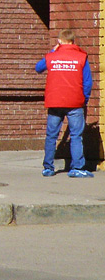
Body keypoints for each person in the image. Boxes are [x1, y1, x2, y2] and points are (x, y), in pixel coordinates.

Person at [36, 28, 94, 178]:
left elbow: (38, 68)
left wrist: (52, 51)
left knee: (51, 135)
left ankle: (48, 167)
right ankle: (77, 168)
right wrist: (84, 99)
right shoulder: (81, 57)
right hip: (75, 102)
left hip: (54, 101)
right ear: (73, 41)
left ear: (59, 41)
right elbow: (87, 82)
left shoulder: (52, 57)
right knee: (76, 135)